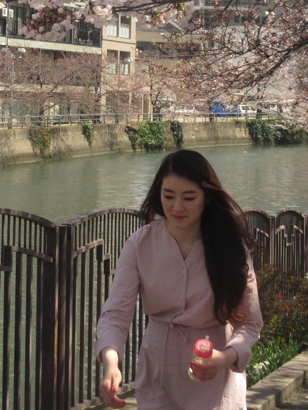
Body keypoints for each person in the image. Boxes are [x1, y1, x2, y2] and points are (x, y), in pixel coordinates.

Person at [95, 149, 263, 410]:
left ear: (207, 197)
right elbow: (116, 313)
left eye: (189, 197)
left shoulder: (230, 248)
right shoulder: (140, 244)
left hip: (214, 373)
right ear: (158, 194)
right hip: (158, 373)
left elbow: (250, 323)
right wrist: (111, 362)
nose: (177, 207)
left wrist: (226, 357)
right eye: (169, 196)